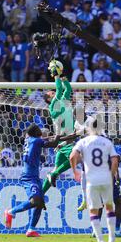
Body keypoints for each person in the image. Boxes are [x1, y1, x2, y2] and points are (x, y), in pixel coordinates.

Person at [4, 124, 74, 237]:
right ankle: (11, 212)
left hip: (34, 176)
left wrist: (70, 136)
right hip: (28, 177)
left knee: (39, 203)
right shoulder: (36, 141)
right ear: (36, 133)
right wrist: (59, 134)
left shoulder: (30, 140)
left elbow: (52, 140)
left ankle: (31, 229)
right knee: (35, 201)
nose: (40, 131)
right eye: (38, 130)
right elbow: (54, 143)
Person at [70, 117, 120, 242]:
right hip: (106, 178)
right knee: (109, 207)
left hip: (91, 180)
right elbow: (115, 160)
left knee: (93, 210)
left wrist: (75, 172)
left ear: (88, 127)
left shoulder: (83, 142)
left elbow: (72, 156)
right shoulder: (107, 142)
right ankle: (112, 239)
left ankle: (100, 241)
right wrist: (111, 174)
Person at [42, 60, 75, 194]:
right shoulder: (53, 104)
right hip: (64, 138)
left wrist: (63, 76)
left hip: (65, 138)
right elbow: (60, 89)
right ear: (49, 98)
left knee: (53, 172)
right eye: (51, 93)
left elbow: (68, 89)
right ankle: (55, 173)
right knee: (77, 157)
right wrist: (56, 75)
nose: (53, 92)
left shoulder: (62, 100)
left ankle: (40, 194)